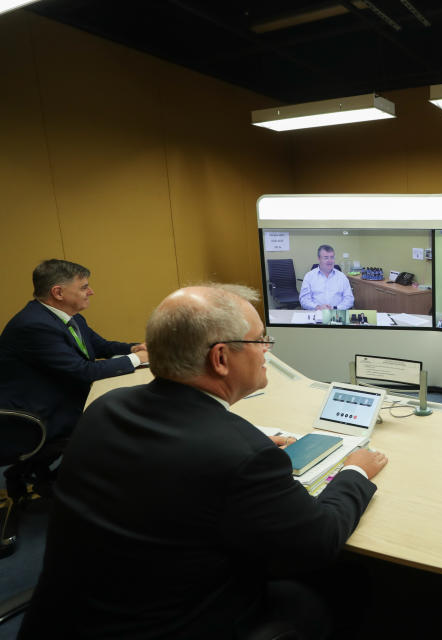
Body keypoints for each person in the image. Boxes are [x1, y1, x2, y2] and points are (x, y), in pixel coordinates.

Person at [19, 284, 388, 639]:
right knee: (348, 582)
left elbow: (176, 465)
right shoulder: (241, 455)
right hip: (174, 627)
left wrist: (244, 451)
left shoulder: (106, 408)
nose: (267, 351)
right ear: (221, 358)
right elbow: (320, 541)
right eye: (261, 340)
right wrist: (355, 470)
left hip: (65, 621)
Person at [0, 259, 147, 497]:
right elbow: (83, 371)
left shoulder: (69, 316)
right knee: (111, 424)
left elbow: (101, 347)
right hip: (32, 415)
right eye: (83, 287)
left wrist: (134, 349)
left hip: (58, 397)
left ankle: (53, 480)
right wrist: (139, 359)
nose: (91, 292)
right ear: (58, 292)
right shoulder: (33, 325)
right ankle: (77, 491)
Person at [300, 244, 355, 310]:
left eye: (332, 257)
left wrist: (335, 308)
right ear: (319, 259)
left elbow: (349, 299)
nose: (330, 261)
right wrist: (318, 307)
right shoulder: (309, 276)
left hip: (337, 314)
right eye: (326, 258)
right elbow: (304, 300)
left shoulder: (342, 277)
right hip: (316, 313)